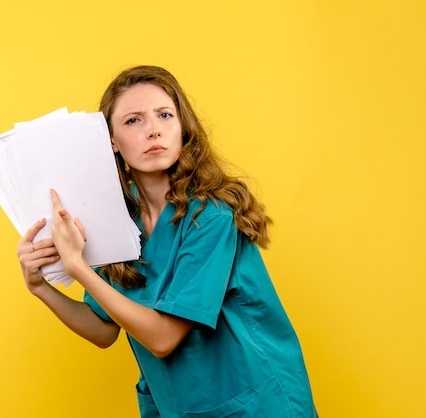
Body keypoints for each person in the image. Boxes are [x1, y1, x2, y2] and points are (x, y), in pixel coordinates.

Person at [17, 65, 318, 417]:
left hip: (256, 402)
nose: (153, 130)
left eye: (164, 115)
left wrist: (77, 268)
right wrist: (41, 288)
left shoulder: (211, 216)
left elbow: (162, 339)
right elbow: (102, 330)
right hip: (180, 404)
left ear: (182, 127)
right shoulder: (115, 218)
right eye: (133, 121)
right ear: (110, 141)